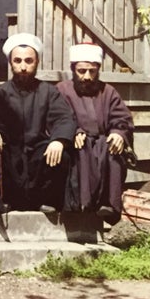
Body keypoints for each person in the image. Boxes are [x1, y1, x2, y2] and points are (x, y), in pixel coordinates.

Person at [0, 33, 76, 213]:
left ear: (37, 62)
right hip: (9, 151)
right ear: (10, 63)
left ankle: (47, 202)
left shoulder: (49, 92)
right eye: (18, 61)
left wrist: (58, 140)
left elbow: (64, 118)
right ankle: (2, 201)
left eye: (29, 61)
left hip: (37, 152)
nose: (23, 67)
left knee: (61, 155)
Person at [57, 43, 134, 224]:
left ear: (98, 70)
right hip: (75, 143)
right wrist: (73, 131)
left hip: (102, 143)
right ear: (73, 69)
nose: (87, 77)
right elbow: (57, 117)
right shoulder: (61, 90)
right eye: (81, 71)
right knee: (79, 151)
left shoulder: (108, 92)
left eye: (92, 71)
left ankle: (108, 205)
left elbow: (122, 119)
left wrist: (118, 133)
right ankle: (79, 205)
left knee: (113, 150)